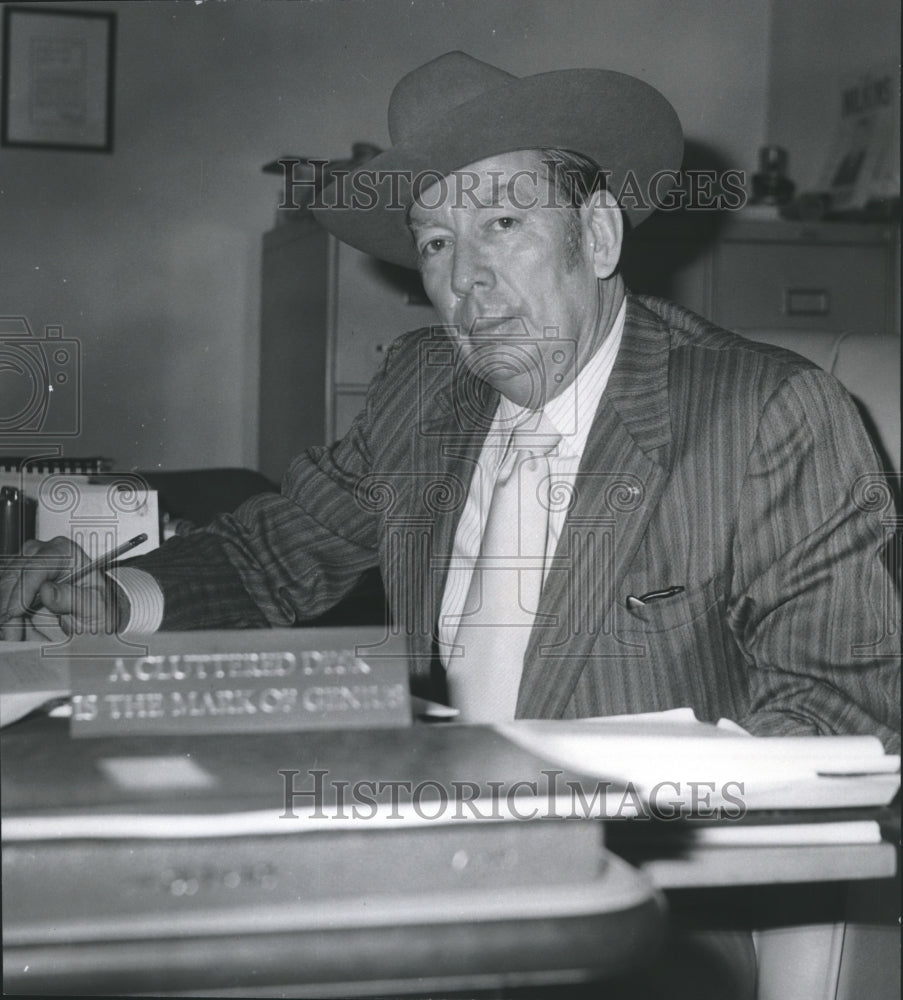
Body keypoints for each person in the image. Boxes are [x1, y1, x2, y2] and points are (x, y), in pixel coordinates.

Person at [1, 50, 898, 747]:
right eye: (434, 243)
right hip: (432, 827)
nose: (465, 278)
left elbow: (840, 711)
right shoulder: (425, 385)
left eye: (501, 223)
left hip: (645, 886)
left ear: (594, 233)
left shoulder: (769, 418)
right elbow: (272, 555)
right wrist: (121, 600)